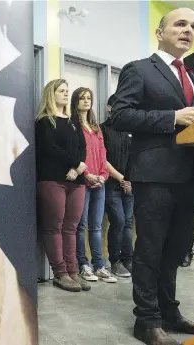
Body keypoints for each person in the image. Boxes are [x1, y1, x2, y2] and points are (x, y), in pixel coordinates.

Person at [111, 8, 194, 345]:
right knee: (151, 250)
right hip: (154, 174)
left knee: (176, 249)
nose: (188, 30)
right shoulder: (139, 69)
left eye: (193, 26)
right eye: (180, 24)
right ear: (160, 32)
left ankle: (170, 313)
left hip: (190, 175)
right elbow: (120, 115)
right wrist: (172, 116)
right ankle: (147, 320)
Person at [35, 79, 90, 293]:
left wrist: (77, 169)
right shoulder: (43, 121)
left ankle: (73, 272)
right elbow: (50, 148)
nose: (66, 94)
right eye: (62, 91)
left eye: (67, 91)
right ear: (52, 94)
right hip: (52, 179)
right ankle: (60, 274)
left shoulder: (74, 121)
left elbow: (82, 147)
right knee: (54, 227)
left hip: (76, 181)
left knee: (71, 228)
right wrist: (76, 164)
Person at [71, 87, 117, 284]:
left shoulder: (95, 126)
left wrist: (104, 176)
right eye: (82, 98)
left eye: (89, 98)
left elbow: (103, 154)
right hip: (83, 181)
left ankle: (99, 265)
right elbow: (76, 154)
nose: (86, 101)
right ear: (76, 102)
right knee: (81, 226)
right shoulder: (73, 124)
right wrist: (88, 174)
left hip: (100, 182)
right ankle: (83, 264)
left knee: (97, 227)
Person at [101, 94, 134, 278]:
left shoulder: (131, 130)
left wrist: (130, 180)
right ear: (109, 107)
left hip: (129, 185)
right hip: (111, 184)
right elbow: (102, 159)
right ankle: (115, 261)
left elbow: (135, 157)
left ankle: (128, 260)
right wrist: (121, 178)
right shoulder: (103, 129)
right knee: (119, 220)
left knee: (128, 223)